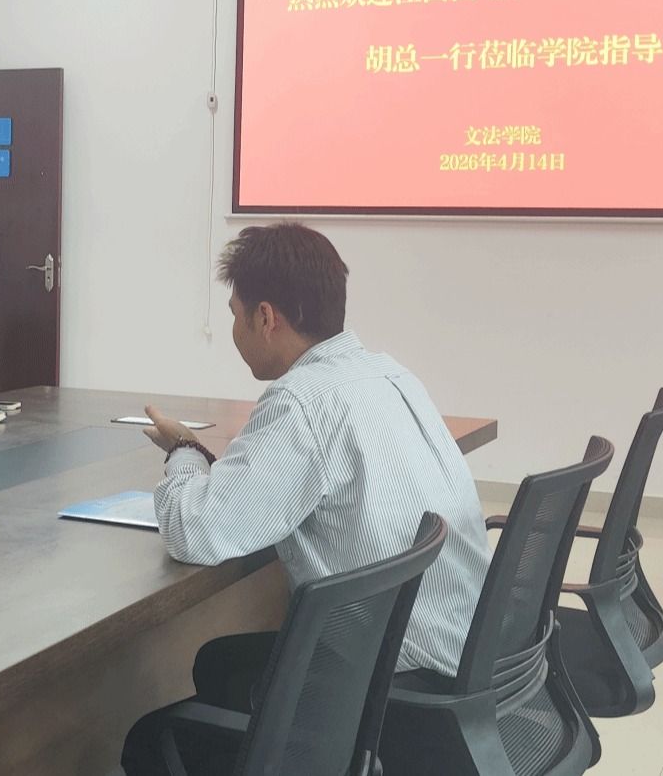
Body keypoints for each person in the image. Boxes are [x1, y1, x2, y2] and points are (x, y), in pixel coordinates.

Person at [120, 222, 490, 775]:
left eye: (235, 314)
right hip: (462, 656)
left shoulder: (303, 401)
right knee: (220, 665)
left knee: (148, 739)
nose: (234, 330)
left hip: (396, 684)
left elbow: (192, 531)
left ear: (266, 318)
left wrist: (185, 451)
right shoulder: (390, 374)